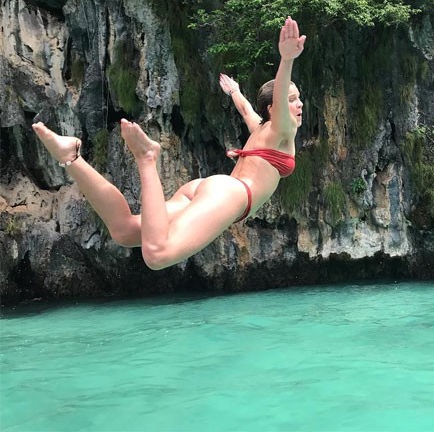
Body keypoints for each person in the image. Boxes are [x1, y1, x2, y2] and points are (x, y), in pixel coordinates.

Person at [32, 17, 306, 270]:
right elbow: (279, 98)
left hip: (209, 189)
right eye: (292, 99)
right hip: (232, 195)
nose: (299, 103)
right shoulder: (283, 130)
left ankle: (72, 158)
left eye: (298, 98)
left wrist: (234, 91)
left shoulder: (261, 128)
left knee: (125, 230)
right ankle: (147, 157)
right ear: (274, 108)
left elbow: (246, 109)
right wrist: (287, 60)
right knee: (158, 254)